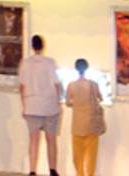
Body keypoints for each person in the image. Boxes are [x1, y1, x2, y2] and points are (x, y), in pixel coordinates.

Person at [19, 35, 62, 176]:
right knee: (51, 140)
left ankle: (32, 170)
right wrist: (58, 102)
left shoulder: (25, 63)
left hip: (31, 106)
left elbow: (22, 86)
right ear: (43, 46)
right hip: (49, 106)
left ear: (32, 46)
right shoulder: (50, 62)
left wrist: (24, 105)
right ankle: (52, 170)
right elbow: (56, 84)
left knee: (33, 140)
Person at [65, 59, 105, 176]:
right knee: (91, 157)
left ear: (76, 69)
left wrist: (76, 104)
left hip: (77, 125)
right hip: (91, 124)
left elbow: (68, 103)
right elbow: (101, 98)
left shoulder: (71, 85)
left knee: (78, 157)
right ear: (87, 68)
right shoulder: (93, 85)